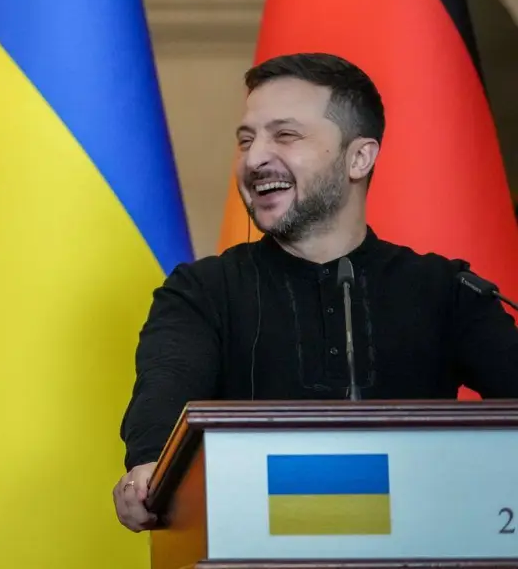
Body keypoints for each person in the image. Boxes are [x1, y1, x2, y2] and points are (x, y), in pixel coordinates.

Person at [112, 52, 518, 533]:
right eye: (246, 139)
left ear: (359, 157)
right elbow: (163, 404)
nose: (255, 157)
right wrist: (147, 470)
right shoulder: (200, 292)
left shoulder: (446, 290)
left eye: (285, 135)